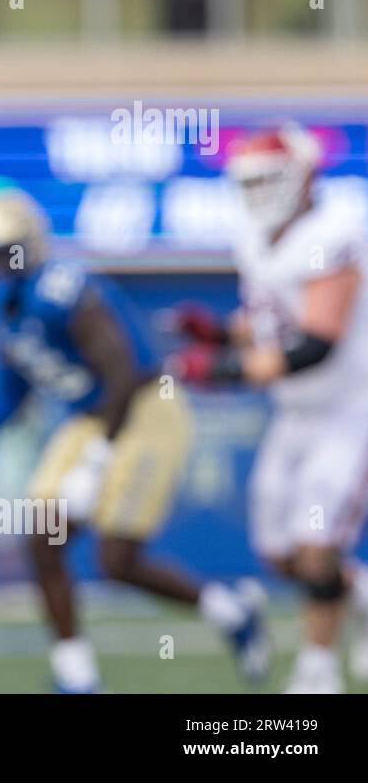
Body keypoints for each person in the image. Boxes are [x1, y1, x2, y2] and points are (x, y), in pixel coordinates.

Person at [0, 188, 268, 692]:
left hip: (144, 409)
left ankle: (231, 611)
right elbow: (10, 392)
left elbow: (123, 371)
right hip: (91, 417)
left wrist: (97, 462)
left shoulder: (64, 288)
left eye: (5, 251)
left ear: (30, 245)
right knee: (42, 535)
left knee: (116, 559)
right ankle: (77, 676)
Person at [171, 125, 368, 693]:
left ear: (302, 175)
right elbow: (265, 324)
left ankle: (318, 668)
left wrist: (224, 372)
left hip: (347, 410)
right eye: (248, 181)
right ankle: (354, 593)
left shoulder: (334, 232)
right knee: (279, 554)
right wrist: (216, 337)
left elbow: (314, 343)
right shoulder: (257, 238)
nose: (257, 192)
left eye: (266, 178)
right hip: (295, 413)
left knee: (316, 542)